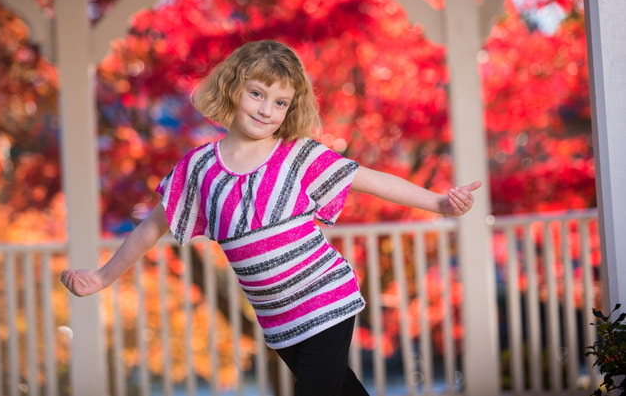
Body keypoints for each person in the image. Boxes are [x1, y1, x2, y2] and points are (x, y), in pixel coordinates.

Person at [61, 40, 482, 396]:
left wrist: (440, 203)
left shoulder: (298, 156)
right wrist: (101, 277)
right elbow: (152, 227)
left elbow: (368, 180)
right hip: (278, 319)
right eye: (257, 94)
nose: (266, 110)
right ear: (232, 89)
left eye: (280, 102)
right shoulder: (200, 168)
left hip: (325, 298)